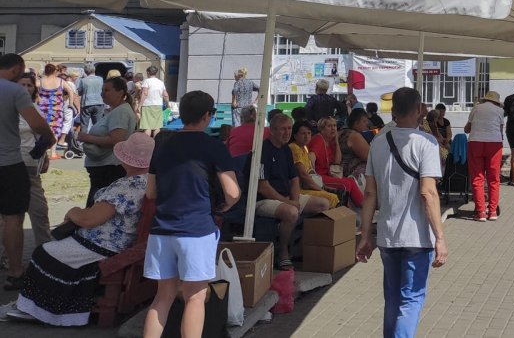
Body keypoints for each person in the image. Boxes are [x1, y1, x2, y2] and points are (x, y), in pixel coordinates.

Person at [9, 134, 153, 325]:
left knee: (44, 252)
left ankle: (38, 308)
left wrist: (72, 211)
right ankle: (31, 304)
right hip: (117, 241)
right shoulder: (149, 182)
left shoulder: (128, 186)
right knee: (52, 247)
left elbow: (90, 219)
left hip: (104, 245)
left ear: (126, 160)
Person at [143, 91, 240, 338]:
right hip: (197, 230)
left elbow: (151, 192)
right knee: (195, 297)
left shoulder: (163, 145)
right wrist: (225, 206)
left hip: (162, 230)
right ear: (208, 115)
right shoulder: (214, 146)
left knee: (162, 297)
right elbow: (232, 192)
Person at [357, 86, 448, 338]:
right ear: (419, 110)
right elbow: (428, 193)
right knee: (411, 300)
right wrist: (440, 237)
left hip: (387, 235)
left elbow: (369, 194)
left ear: (393, 111)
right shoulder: (426, 143)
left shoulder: (377, 142)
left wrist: (365, 235)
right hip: (417, 236)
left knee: (393, 300)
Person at [2, 55, 56, 288]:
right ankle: (15, 271)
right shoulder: (14, 91)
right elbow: (36, 124)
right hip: (9, 162)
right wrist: (50, 136)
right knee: (13, 218)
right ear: (16, 69)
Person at [252, 114, 330, 271]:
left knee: (323, 204)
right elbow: (263, 187)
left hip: (286, 198)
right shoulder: (262, 151)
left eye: (289, 128)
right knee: (292, 212)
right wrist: (288, 202)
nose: (287, 133)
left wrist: (294, 198)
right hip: (262, 200)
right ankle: (283, 252)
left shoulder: (286, 150)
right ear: (272, 130)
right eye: (283, 129)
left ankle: (299, 246)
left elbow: (294, 179)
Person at [77, 76, 138, 205]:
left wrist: (87, 137)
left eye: (107, 90)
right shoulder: (115, 111)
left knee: (96, 206)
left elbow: (116, 139)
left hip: (109, 168)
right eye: (102, 89)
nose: (102, 93)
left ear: (120, 92)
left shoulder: (120, 112)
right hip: (104, 167)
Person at [16, 73, 51, 249]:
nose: (25, 89)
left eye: (29, 85)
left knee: (39, 210)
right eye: (21, 85)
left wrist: (45, 158)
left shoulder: (35, 109)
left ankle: (44, 250)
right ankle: (5, 255)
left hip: (30, 165)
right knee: (10, 215)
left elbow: (44, 137)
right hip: (9, 165)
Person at [465, 91, 505, 221]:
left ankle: (480, 212)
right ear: (496, 101)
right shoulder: (500, 111)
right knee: (494, 178)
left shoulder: (476, 108)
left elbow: (467, 129)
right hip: (494, 144)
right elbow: (500, 130)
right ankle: (492, 211)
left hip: (476, 142)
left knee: (477, 178)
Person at [309, 116, 364, 207]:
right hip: (319, 176)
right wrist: (312, 174)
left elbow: (337, 162)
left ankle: (365, 206)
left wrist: (337, 142)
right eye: (329, 126)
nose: (333, 128)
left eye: (334, 125)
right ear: (322, 129)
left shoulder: (329, 141)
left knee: (350, 181)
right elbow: (311, 157)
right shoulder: (318, 140)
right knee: (345, 184)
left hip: (327, 174)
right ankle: (344, 212)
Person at [289, 122, 341, 208]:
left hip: (309, 185)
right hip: (299, 189)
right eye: (303, 133)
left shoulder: (304, 148)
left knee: (337, 192)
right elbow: (303, 174)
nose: (307, 136)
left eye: (309, 133)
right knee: (332, 197)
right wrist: (320, 189)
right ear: (295, 135)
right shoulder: (294, 147)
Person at [35, 63, 68, 159]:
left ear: (45, 71)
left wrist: (37, 96)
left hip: (43, 109)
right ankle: (53, 153)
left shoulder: (40, 81)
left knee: (44, 130)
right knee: (55, 130)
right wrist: (70, 104)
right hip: (56, 110)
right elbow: (70, 91)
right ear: (54, 71)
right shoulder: (60, 81)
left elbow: (32, 87)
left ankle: (43, 152)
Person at [339, 110, 372, 184]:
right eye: (364, 121)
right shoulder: (353, 135)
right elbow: (369, 157)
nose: (367, 124)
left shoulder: (341, 131)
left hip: (341, 168)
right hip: (350, 171)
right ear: (356, 123)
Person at [137, 65, 170, 138]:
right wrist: (168, 104)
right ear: (156, 73)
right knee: (156, 127)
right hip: (158, 106)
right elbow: (165, 94)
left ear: (148, 72)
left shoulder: (146, 81)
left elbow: (145, 93)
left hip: (147, 105)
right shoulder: (161, 82)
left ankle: (147, 145)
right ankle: (156, 144)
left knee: (147, 127)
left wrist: (139, 105)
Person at [77, 64, 105, 133]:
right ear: (94, 70)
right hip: (99, 102)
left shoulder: (83, 80)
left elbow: (79, 92)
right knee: (98, 124)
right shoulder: (100, 79)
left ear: (85, 71)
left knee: (84, 125)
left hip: (86, 103)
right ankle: (97, 141)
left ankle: (83, 142)